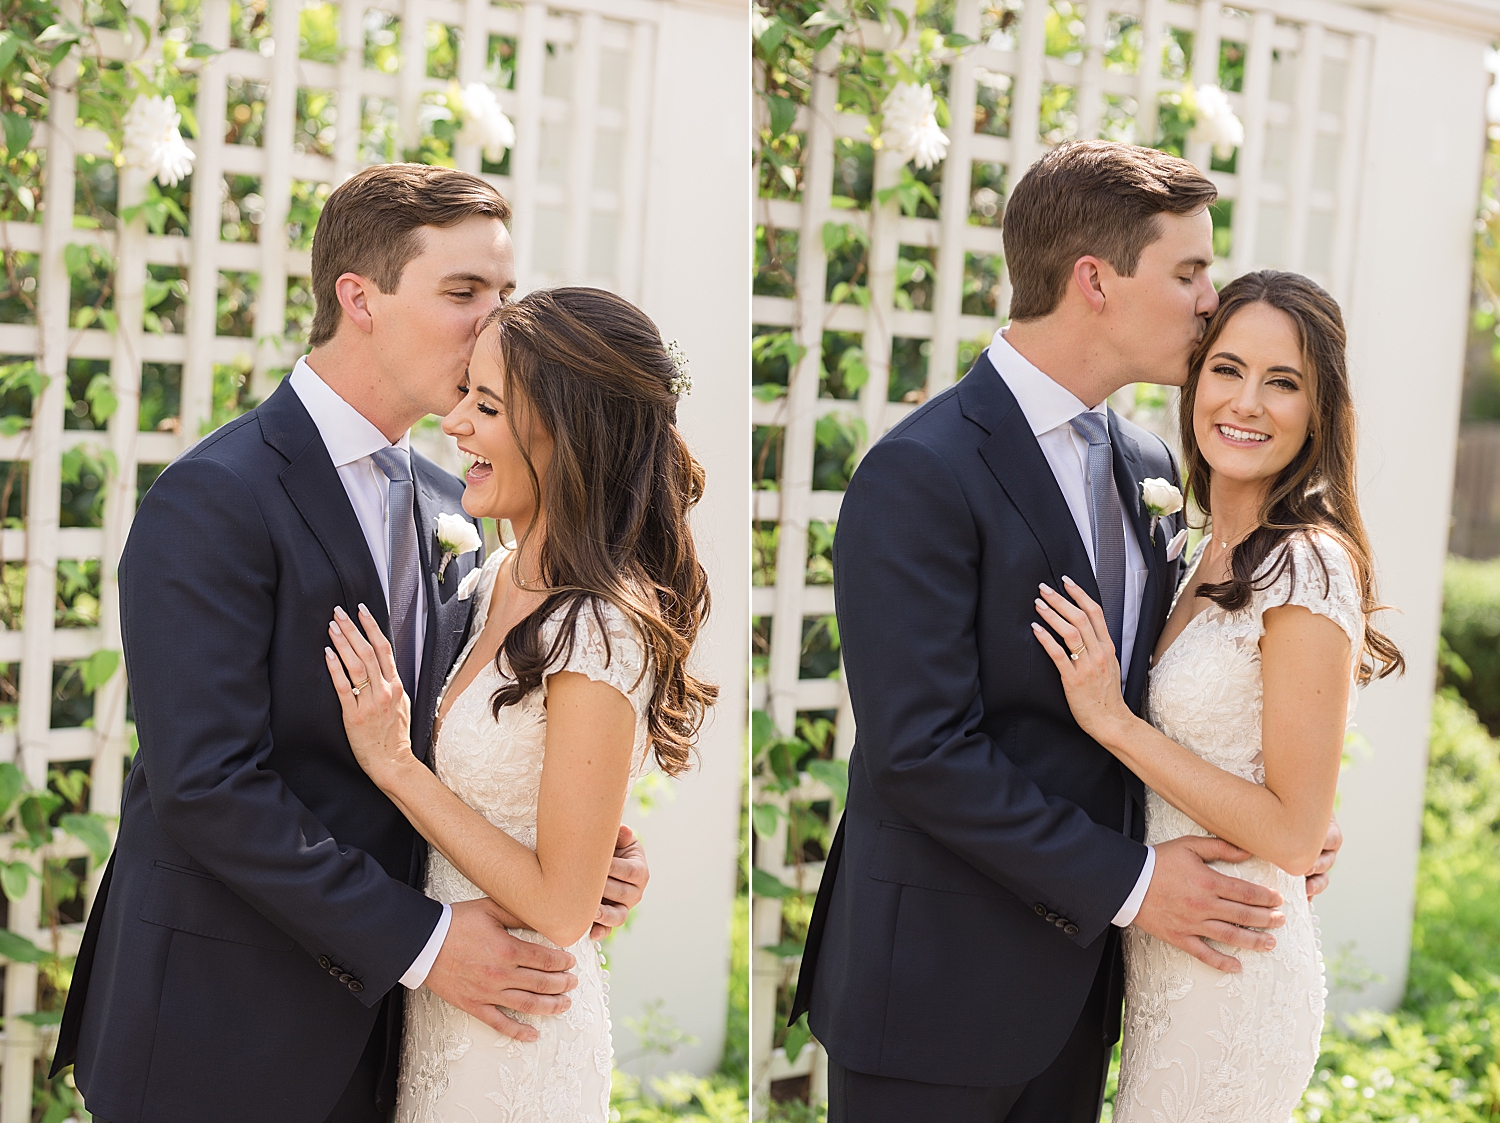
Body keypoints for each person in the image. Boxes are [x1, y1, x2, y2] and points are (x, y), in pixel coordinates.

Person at [52, 164, 651, 1123]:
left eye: (504, 293)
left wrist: (570, 857)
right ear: (358, 298)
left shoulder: (462, 502)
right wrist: (424, 941)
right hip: (223, 1035)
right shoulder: (215, 498)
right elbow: (207, 783)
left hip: (391, 1050)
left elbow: (460, 733)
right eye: (463, 293)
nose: (494, 324)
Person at [791, 141, 1344, 1123]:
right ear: (1096, 280)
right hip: (932, 997)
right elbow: (921, 751)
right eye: (1187, 273)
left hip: (1088, 996)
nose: (1208, 299)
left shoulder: (1144, 464)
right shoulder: (918, 471)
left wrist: (1271, 817)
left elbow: (1165, 691)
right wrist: (1134, 881)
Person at [322, 286, 715, 1121]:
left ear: (565, 435)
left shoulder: (600, 626)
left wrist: (396, 765)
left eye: (486, 404)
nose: (455, 422)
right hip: (433, 1011)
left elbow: (563, 906)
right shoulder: (492, 575)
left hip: (514, 1042)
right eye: (466, 392)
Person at [1033, 269, 1402, 1120]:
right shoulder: (1189, 549)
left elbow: (1293, 827)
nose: (1247, 401)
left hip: (1234, 978)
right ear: (1195, 379)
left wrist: (1115, 723)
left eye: (1284, 382)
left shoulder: (1306, 562)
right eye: (1228, 368)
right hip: (1166, 964)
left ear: (1319, 409)